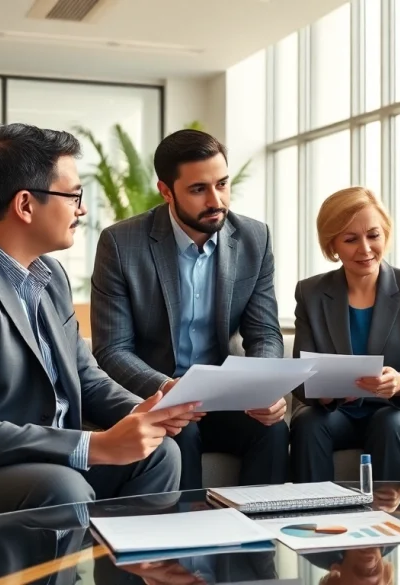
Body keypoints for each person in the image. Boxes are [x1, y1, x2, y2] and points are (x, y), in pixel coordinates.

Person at [0, 123, 195, 554]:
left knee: (158, 453)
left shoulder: (50, 277)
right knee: (60, 485)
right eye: (74, 195)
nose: (82, 210)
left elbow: (84, 376)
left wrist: (146, 410)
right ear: (25, 204)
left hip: (37, 464)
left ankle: (135, 576)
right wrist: (95, 446)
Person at [91, 129, 287, 490]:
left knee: (272, 430)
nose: (217, 200)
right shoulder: (121, 243)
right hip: (158, 392)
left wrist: (264, 385)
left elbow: (264, 333)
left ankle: (261, 541)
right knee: (182, 433)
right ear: (166, 191)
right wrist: (167, 387)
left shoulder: (253, 239)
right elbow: (111, 349)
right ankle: (189, 542)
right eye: (199, 189)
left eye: (222, 184)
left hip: (225, 393)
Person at [290, 187, 400, 482]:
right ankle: (311, 516)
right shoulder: (310, 293)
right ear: (332, 244)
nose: (365, 249)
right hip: (339, 413)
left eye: (373, 235)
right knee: (309, 423)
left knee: (388, 425)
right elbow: (301, 377)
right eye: (350, 239)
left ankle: (388, 523)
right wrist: (322, 393)